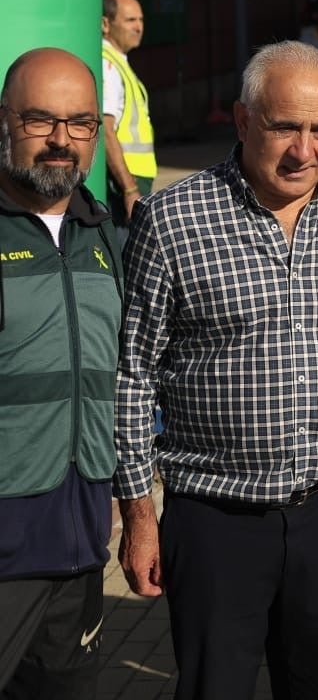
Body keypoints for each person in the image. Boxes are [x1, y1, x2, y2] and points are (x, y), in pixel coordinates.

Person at [114, 41, 318, 700]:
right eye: (284, 127)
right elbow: (133, 373)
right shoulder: (174, 219)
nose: (304, 149)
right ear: (243, 121)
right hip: (215, 519)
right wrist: (139, 517)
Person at [0, 49, 120, 699]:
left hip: (80, 543)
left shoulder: (102, 234)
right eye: (40, 119)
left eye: (79, 123)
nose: (60, 141)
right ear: (4, 120)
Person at [101, 0, 155, 230]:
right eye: (130, 20)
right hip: (122, 185)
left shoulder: (118, 62)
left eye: (141, 20)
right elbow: (106, 129)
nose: (139, 27)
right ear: (105, 24)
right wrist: (129, 189)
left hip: (130, 181)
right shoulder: (109, 65)